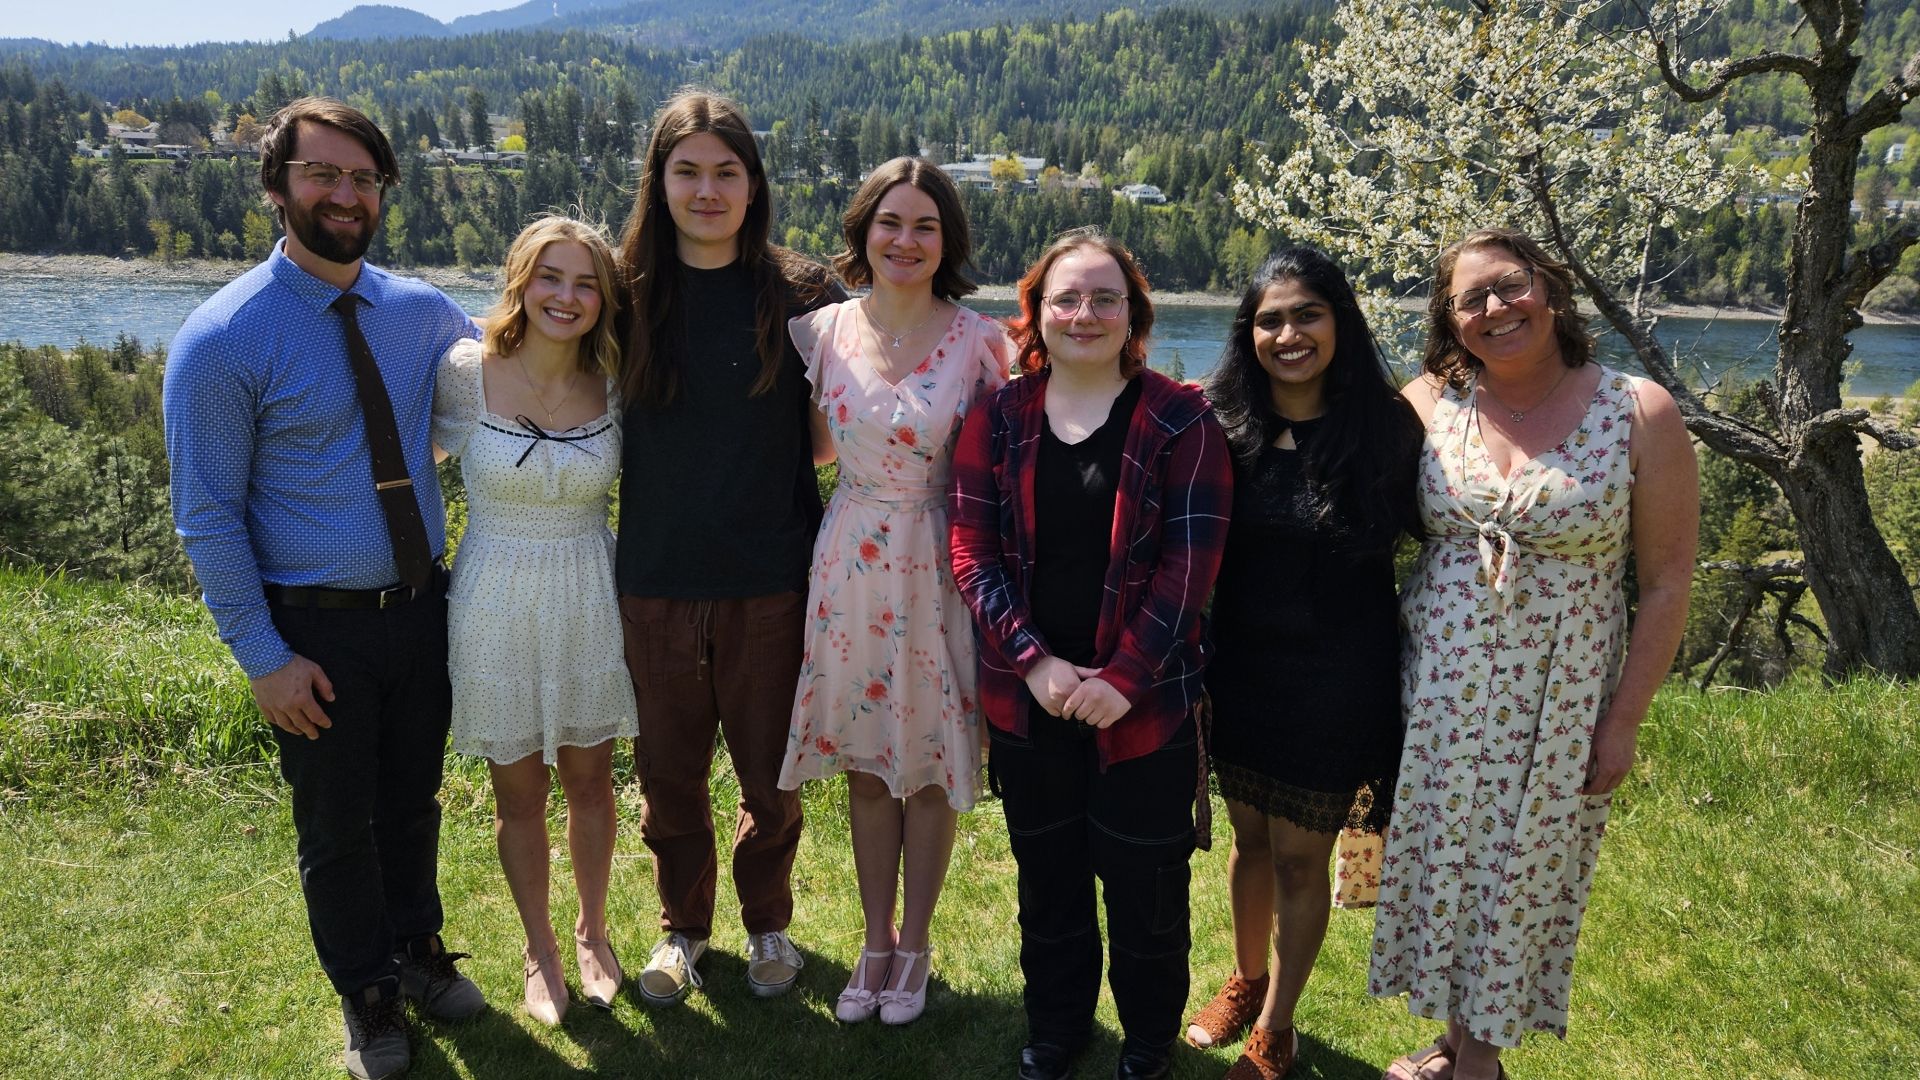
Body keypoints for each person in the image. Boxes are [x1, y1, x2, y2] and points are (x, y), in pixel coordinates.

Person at [163, 97, 483, 1080]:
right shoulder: (222, 339)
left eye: (362, 179)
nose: (344, 195)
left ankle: (417, 947)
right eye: (322, 175)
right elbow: (207, 516)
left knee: (412, 800)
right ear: (276, 188)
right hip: (316, 628)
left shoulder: (426, 313)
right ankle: (367, 991)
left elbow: (505, 385)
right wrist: (265, 659)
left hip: (421, 608)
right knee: (336, 820)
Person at [1372, 229, 1697, 1080]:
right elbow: (1326, 462)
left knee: (1524, 874)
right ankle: (1454, 1040)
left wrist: (1623, 721)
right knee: (1447, 860)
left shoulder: (1637, 410)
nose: (1494, 309)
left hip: (1560, 694)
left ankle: (1479, 1062)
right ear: (1449, 320)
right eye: (1470, 299)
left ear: (1549, 290)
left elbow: (1665, 583)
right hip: (1436, 686)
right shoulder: (1427, 404)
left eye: (1510, 287)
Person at [949, 227, 1232, 1080]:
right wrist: (1033, 661)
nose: (1086, 313)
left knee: (1147, 890)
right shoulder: (997, 419)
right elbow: (973, 551)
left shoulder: (1183, 420)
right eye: (1067, 297)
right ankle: (1058, 1027)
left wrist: (1124, 678)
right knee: (1050, 881)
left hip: (1143, 706)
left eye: (1106, 298)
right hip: (1029, 696)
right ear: (1035, 312)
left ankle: (1146, 1042)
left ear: (1134, 315)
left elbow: (1191, 568)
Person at [612, 89, 843, 1006]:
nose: (707, 190)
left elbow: (828, 438)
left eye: (725, 172)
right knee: (668, 776)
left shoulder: (803, 293)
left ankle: (769, 926)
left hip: (771, 580)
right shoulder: (623, 291)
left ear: (753, 185)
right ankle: (683, 932)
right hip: (656, 579)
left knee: (771, 774)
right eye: (688, 171)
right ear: (658, 182)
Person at [777, 157, 1010, 1026]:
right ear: (863, 232)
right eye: (890, 223)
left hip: (941, 563)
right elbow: (816, 452)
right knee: (869, 769)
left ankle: (915, 946)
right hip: (849, 563)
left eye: (924, 226)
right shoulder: (824, 332)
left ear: (945, 241)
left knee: (928, 769)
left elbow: (1001, 465)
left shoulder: (981, 342)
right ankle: (873, 943)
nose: (905, 241)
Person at [1186, 248, 1424, 1079]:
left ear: (1340, 322)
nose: (1288, 334)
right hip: (1241, 672)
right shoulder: (1219, 424)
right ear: (1246, 333)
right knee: (1247, 845)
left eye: (1307, 315)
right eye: (1269, 319)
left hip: (1337, 680)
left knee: (1299, 857)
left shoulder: (1387, 431)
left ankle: (1278, 1023)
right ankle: (1245, 981)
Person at [430, 216, 634, 1026]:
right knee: (519, 793)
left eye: (587, 283)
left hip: (590, 588)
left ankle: (592, 932)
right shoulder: (463, 373)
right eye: (552, 277)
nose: (568, 296)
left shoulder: (614, 380)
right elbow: (405, 464)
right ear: (521, 280)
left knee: (591, 781)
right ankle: (539, 949)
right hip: (493, 596)